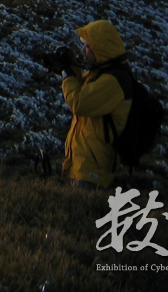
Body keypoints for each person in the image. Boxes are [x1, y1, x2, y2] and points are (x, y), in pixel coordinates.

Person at [47, 20, 132, 190]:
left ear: (99, 49)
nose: (83, 50)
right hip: (83, 163)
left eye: (87, 46)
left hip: (93, 169)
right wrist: (69, 65)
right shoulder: (99, 73)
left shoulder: (112, 81)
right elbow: (81, 89)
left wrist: (67, 74)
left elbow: (79, 103)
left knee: (82, 212)